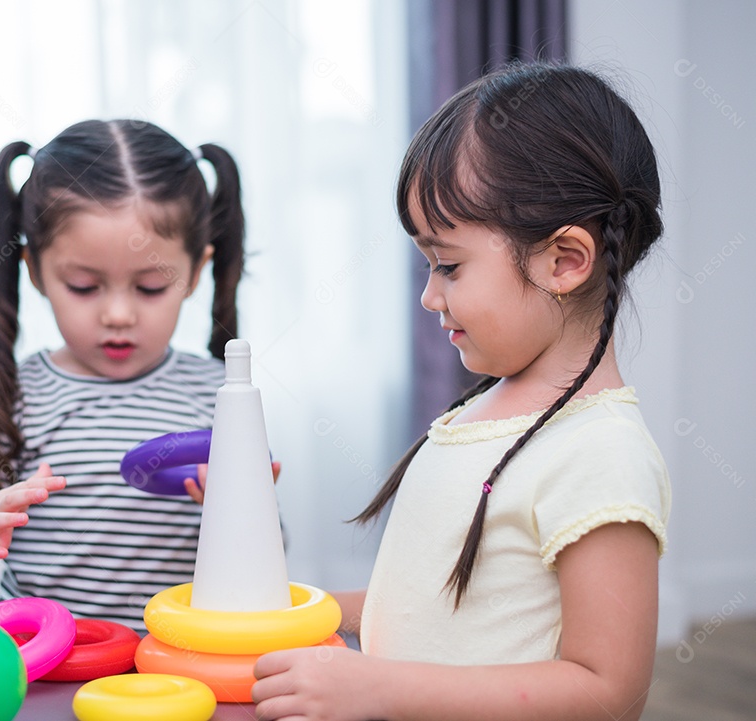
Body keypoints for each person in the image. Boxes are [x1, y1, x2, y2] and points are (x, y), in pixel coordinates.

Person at [252, 62, 671, 720]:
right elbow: (440, 607)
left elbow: (607, 690)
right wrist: (312, 611)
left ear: (564, 260)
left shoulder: (600, 451)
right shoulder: (481, 411)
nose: (429, 295)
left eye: (448, 265)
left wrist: (377, 686)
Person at [0, 119, 251, 631]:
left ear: (196, 271)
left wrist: (240, 506)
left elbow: (266, 564)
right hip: (40, 674)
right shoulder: (18, 395)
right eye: (84, 286)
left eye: (151, 287)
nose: (118, 314)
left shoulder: (221, 396)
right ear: (35, 271)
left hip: (174, 682)